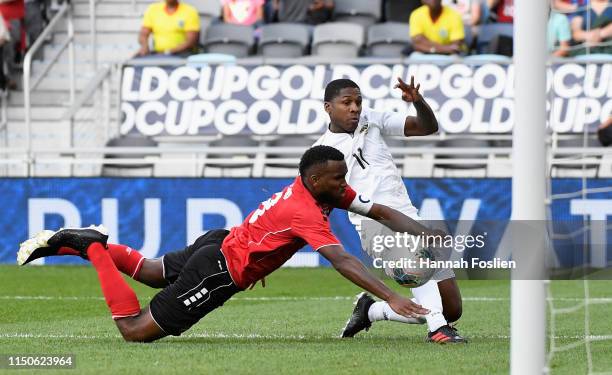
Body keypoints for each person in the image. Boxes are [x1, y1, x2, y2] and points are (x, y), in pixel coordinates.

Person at [18, 146, 434, 342]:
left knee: (149, 271)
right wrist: (391, 296)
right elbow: (341, 260)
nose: (345, 186)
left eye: (344, 178)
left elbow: (379, 211)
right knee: (134, 330)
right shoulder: (305, 210)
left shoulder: (324, 191)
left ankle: (64, 243)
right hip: (219, 270)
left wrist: (424, 232)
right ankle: (91, 246)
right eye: (337, 179)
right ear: (313, 180)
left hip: (220, 242)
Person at [313, 78, 466, 343]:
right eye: (346, 102)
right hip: (373, 222)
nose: (354, 108)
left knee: (451, 308)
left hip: (408, 216)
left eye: (358, 101)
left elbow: (426, 127)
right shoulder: (321, 152)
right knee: (427, 291)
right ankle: (437, 329)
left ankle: (371, 311)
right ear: (328, 107)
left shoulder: (372, 120)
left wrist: (417, 102)